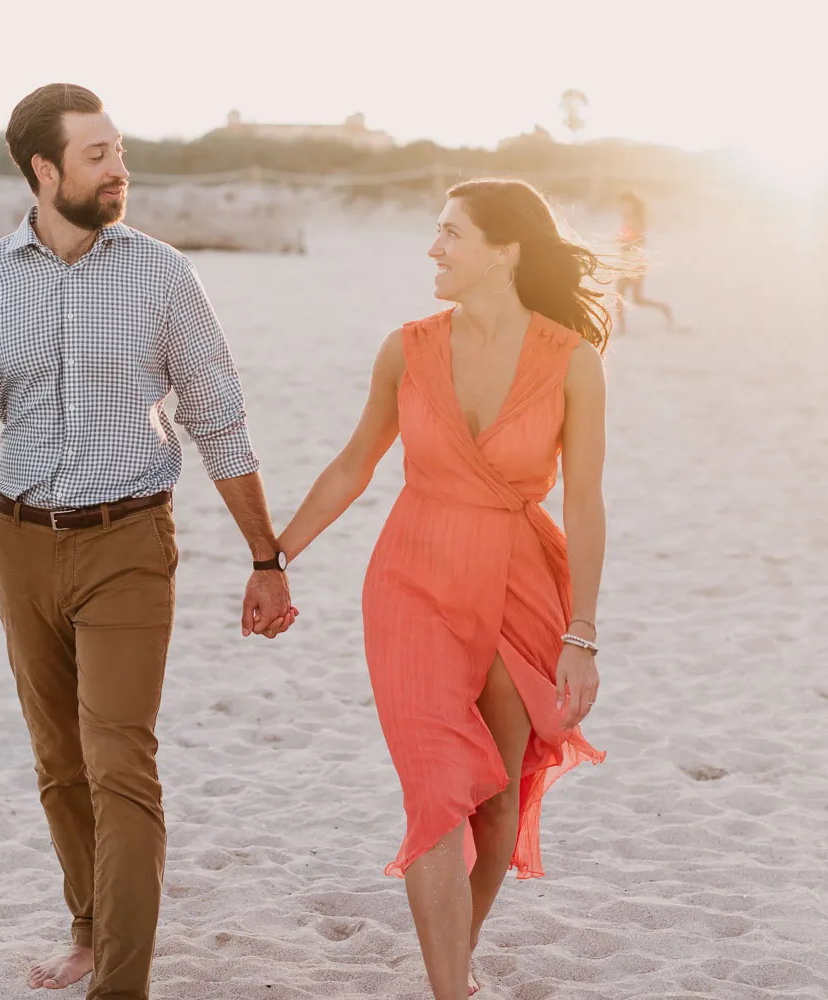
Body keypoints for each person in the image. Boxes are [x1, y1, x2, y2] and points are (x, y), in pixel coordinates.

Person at [0, 83, 297, 1000]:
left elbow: (220, 420)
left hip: (130, 543)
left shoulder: (163, 274)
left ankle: (121, 986)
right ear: (43, 170)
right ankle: (90, 929)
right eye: (98, 155)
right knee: (60, 763)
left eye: (119, 151)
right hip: (17, 544)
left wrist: (266, 558)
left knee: (119, 761)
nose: (119, 170)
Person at [276, 178, 608, 1000]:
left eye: (451, 234)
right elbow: (356, 464)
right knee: (435, 789)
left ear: (506, 250)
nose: (434, 248)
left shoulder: (572, 361)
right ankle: (450, 993)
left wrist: (583, 633)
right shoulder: (408, 348)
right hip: (413, 580)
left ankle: (451, 964)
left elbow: (587, 501)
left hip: (520, 584)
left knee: (494, 802)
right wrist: (274, 556)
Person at [614, 190, 674, 330]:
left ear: (632, 205)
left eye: (626, 205)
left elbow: (637, 241)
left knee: (626, 297)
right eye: (622, 205)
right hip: (627, 261)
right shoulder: (628, 220)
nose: (623, 208)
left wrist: (625, 243)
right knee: (633, 298)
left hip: (634, 262)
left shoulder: (636, 221)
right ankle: (663, 308)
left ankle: (623, 329)